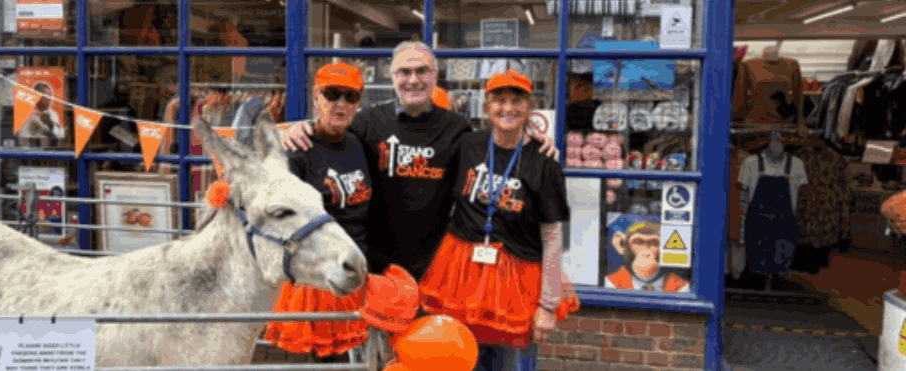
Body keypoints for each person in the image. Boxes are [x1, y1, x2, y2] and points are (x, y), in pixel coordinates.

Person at [282, 41, 559, 280]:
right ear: (393, 77)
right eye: (404, 72)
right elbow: (331, 133)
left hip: (434, 266)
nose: (413, 80)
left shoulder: (457, 128)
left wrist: (531, 142)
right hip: (373, 266)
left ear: (434, 76)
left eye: (421, 71)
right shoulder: (366, 123)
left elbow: (495, 152)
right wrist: (299, 129)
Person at [417, 69, 578, 371]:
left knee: (509, 365)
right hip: (460, 276)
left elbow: (553, 235)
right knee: (458, 360)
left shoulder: (544, 162)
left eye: (516, 101)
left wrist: (547, 304)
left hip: (515, 283)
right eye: (499, 100)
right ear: (487, 106)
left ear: (529, 107)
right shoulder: (467, 145)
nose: (508, 108)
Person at [263, 61, 372, 364]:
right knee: (325, 360)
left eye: (350, 96)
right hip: (320, 278)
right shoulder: (299, 148)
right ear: (315, 97)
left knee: (354, 359)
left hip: (356, 269)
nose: (341, 103)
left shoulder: (357, 142)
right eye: (332, 94)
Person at [604, 216, 690, 293]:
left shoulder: (679, 286)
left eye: (654, 243)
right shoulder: (612, 282)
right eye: (639, 242)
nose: (646, 254)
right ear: (621, 245)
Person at [19, 83, 64, 149]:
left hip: (50, 151)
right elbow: (23, 141)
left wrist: (50, 124)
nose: (49, 99)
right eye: (46, 96)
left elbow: (61, 135)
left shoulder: (53, 114)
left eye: (50, 96)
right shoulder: (28, 115)